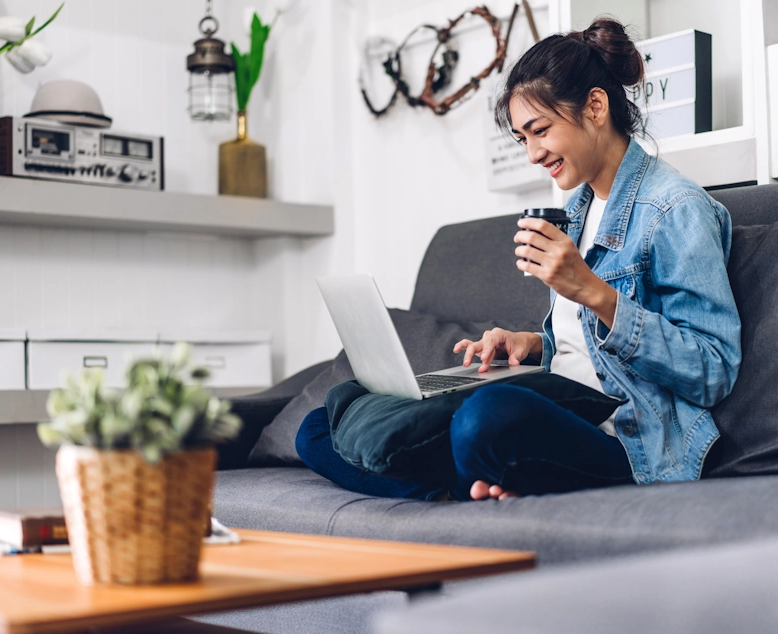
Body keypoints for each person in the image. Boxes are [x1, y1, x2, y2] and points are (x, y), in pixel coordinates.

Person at [296, 17, 741, 502]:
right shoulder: (578, 208)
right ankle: (464, 483)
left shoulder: (676, 208)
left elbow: (713, 369)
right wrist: (528, 345)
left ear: (596, 106)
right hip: (562, 410)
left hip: (629, 440)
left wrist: (592, 291)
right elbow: (578, 353)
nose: (532, 154)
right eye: (522, 139)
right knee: (325, 421)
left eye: (540, 131)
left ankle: (470, 469)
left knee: (488, 417)